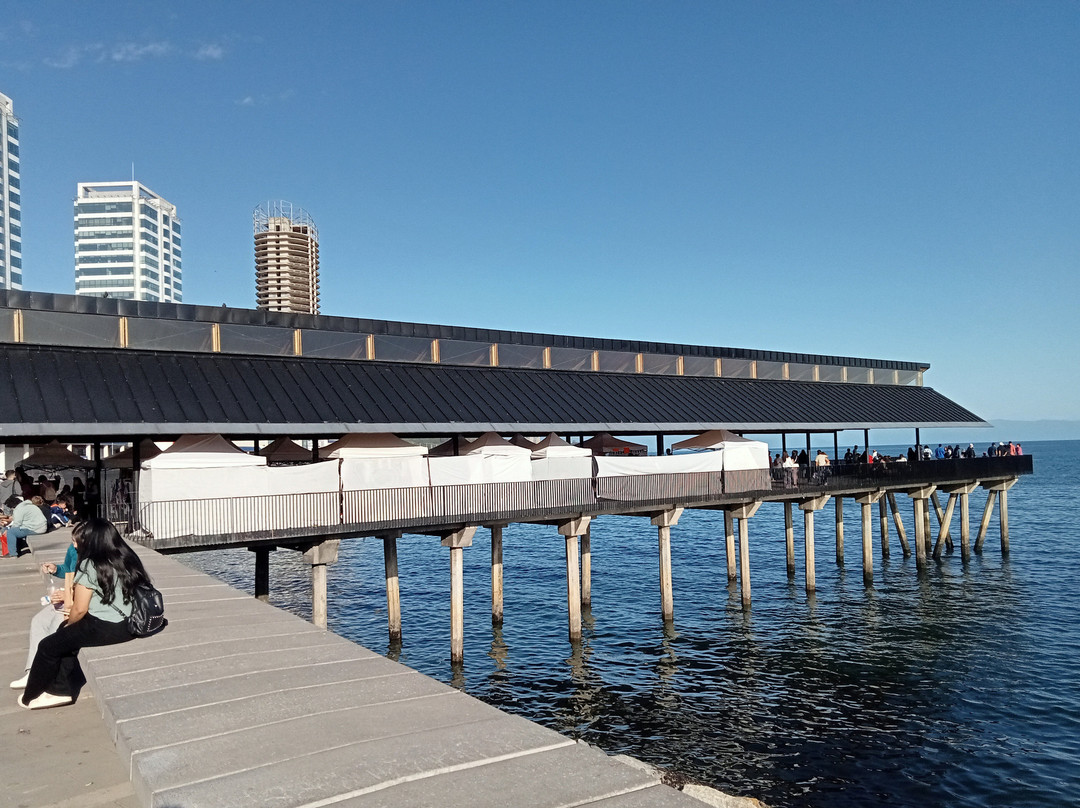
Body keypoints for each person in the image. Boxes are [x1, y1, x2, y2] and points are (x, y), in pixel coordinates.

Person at [18, 519, 152, 710]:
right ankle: (60, 686)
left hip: (106, 625)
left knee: (48, 645)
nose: (75, 545)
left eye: (78, 541)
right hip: (131, 623)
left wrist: (69, 624)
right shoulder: (127, 556)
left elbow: (79, 609)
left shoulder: (90, 564)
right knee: (66, 639)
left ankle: (35, 694)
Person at [9, 526, 81, 690]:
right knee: (39, 620)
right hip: (70, 597)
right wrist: (56, 569)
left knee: (56, 623)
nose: (74, 545)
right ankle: (32, 672)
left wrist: (68, 594)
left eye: (77, 541)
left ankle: (46, 676)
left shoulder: (94, 557)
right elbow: (67, 570)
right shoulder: (73, 550)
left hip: (81, 602)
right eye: (73, 541)